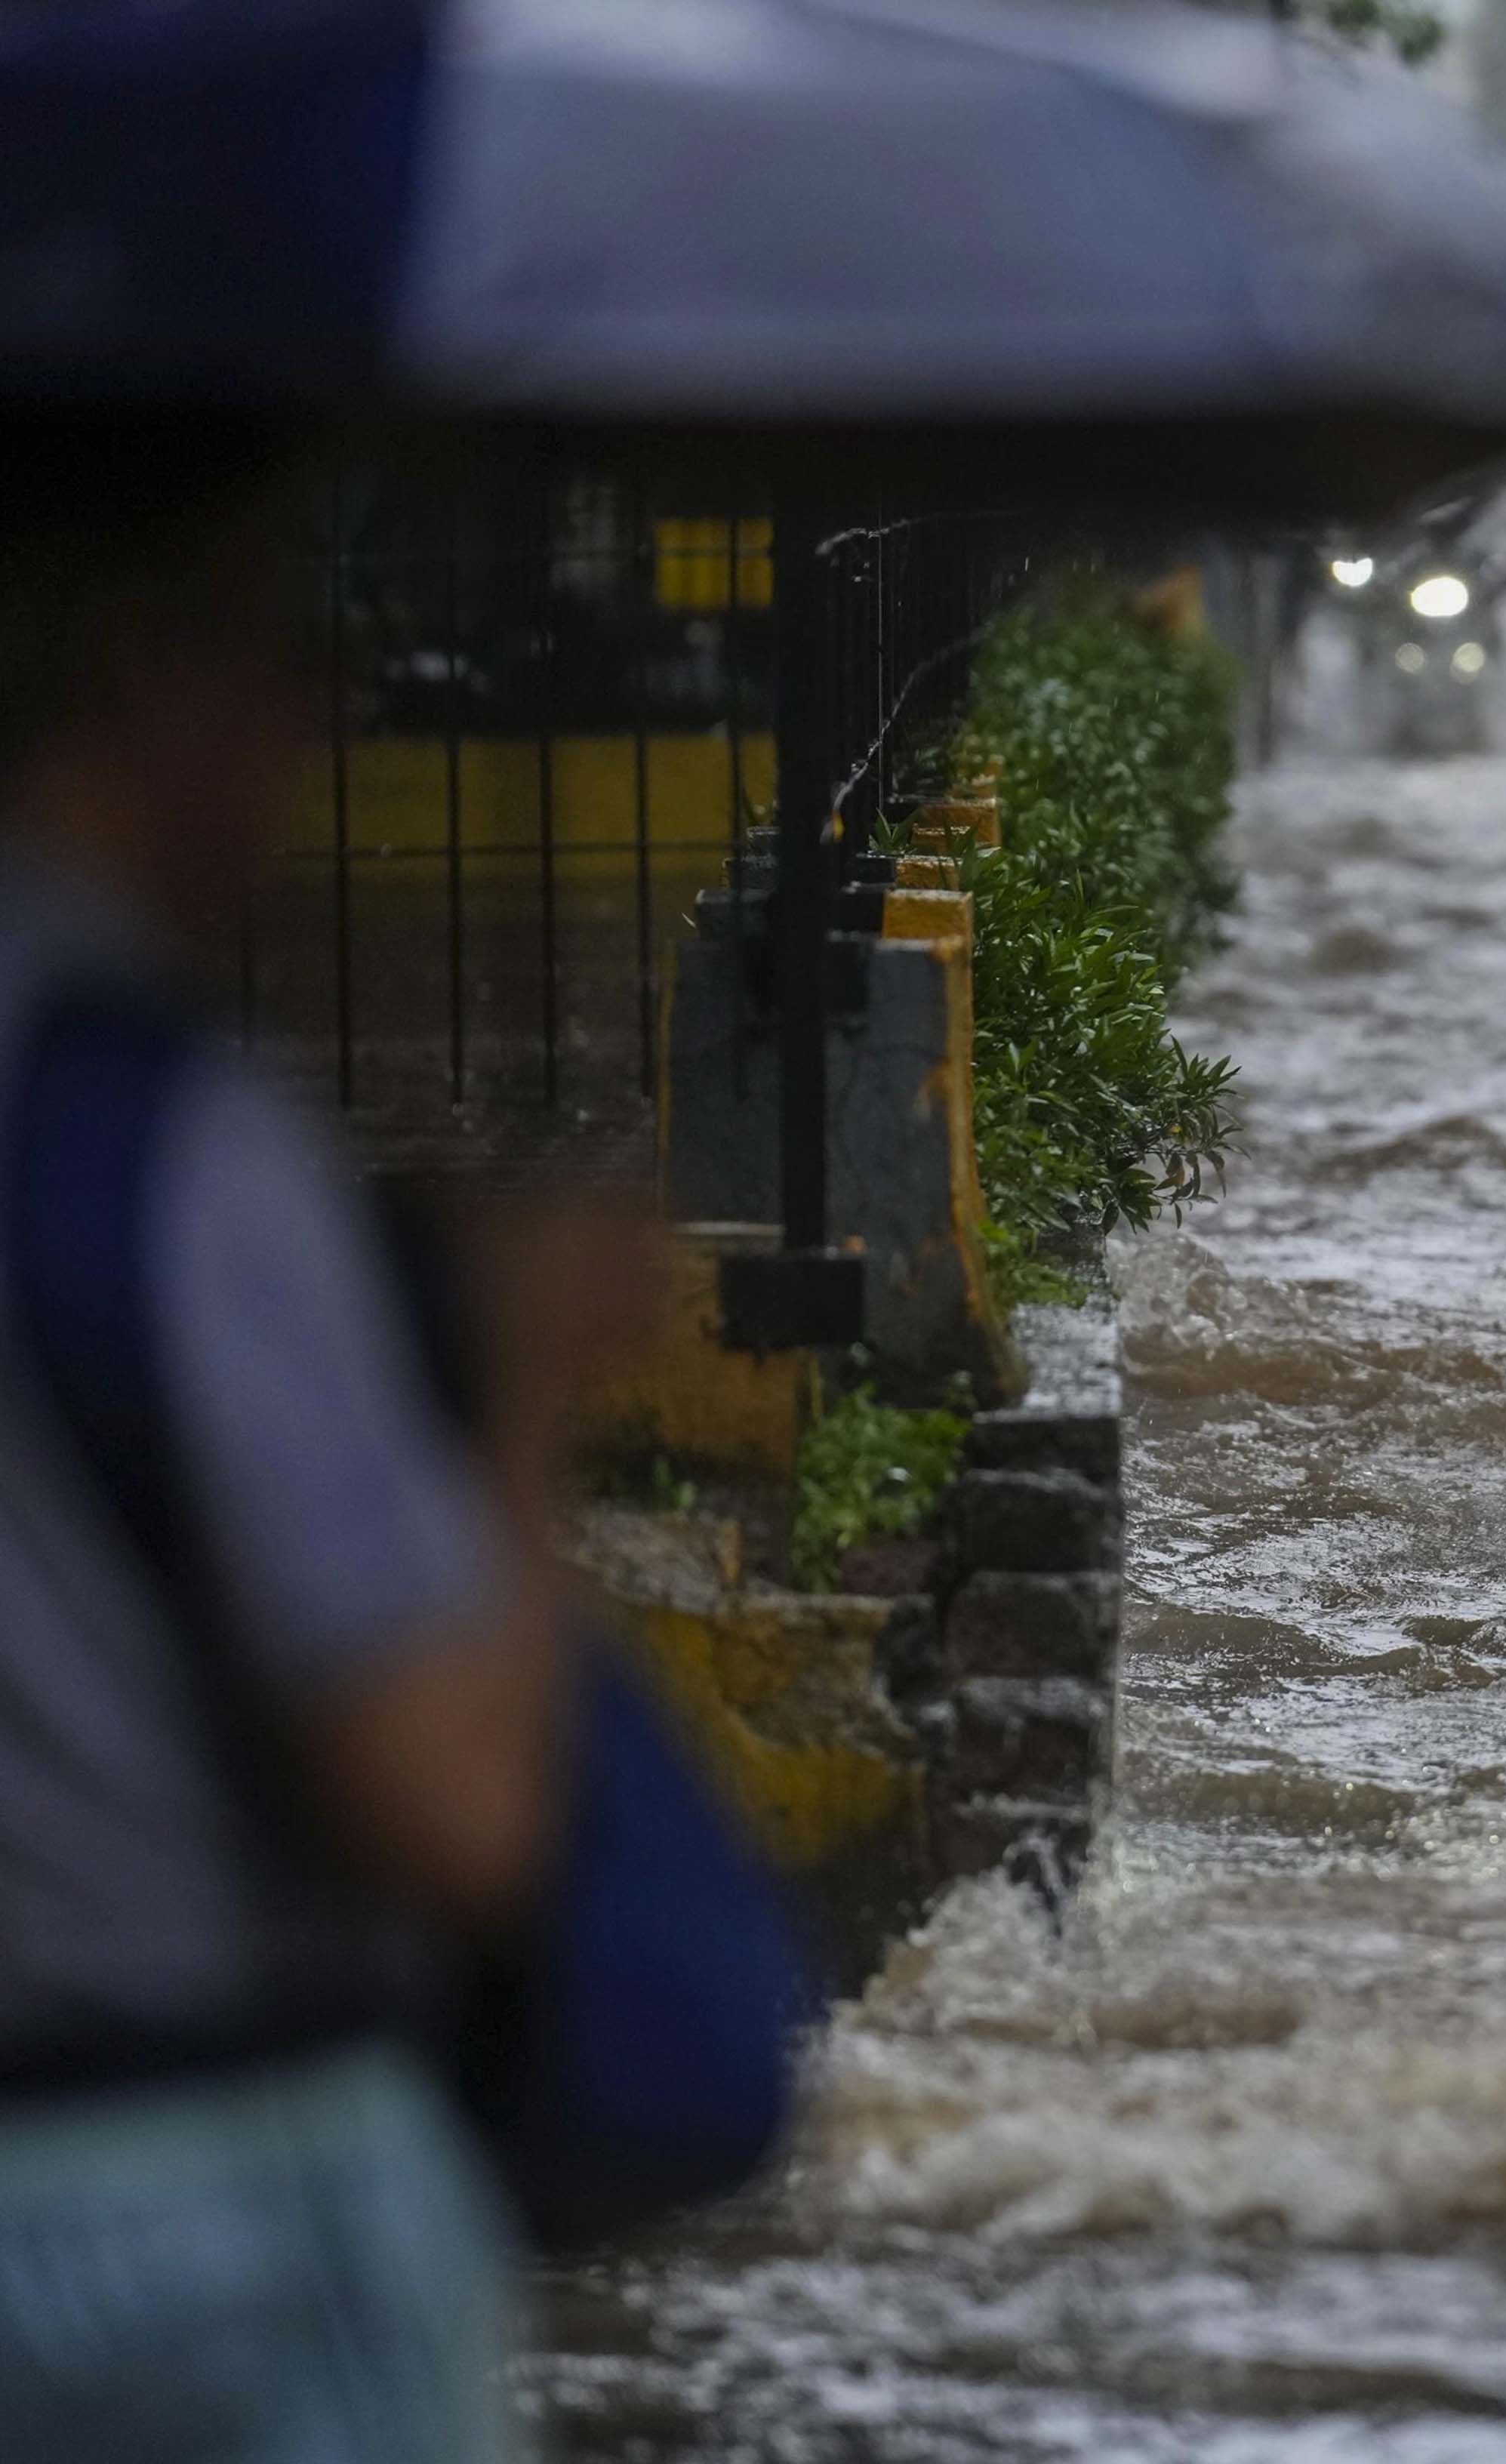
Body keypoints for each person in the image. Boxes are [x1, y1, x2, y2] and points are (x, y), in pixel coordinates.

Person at [0, 415, 600, 2462]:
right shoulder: (168, 1153)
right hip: (198, 2207)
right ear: (129, 683)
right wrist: (527, 1394)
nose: (324, 714)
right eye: (271, 650)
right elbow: (456, 1806)